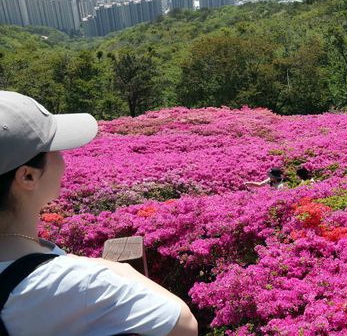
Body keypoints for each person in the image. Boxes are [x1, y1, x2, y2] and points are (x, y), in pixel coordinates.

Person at [0, 91, 198, 336]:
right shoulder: (79, 284)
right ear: (28, 176)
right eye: (54, 148)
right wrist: (123, 272)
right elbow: (184, 325)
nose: (63, 158)